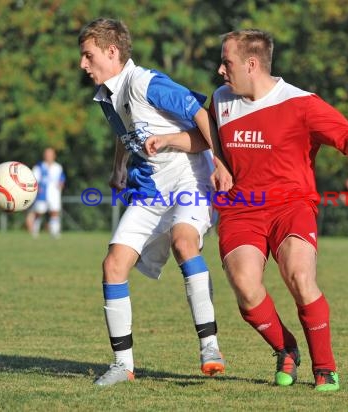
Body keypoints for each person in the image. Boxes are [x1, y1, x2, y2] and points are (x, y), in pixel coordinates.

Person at [207, 29, 348, 391]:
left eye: (227, 62)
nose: (220, 70)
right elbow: (206, 133)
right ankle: (285, 348)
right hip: (241, 208)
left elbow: (347, 135)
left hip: (292, 205)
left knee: (300, 277)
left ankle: (325, 367)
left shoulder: (301, 103)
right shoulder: (220, 99)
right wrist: (217, 161)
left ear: (252, 64)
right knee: (245, 286)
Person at [78, 18, 229, 386]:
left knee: (183, 241)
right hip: (149, 190)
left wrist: (222, 164)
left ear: (112, 52)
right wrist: (118, 169)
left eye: (88, 55)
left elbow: (203, 117)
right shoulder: (107, 95)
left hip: (189, 177)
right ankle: (122, 365)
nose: (83, 64)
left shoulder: (147, 83)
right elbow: (125, 133)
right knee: (113, 264)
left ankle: (210, 346)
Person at [28, 147, 66, 239]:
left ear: (54, 155)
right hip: (42, 193)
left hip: (54, 194)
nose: (48, 156)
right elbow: (33, 179)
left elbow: (62, 178)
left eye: (50, 154)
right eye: (47, 154)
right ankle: (35, 231)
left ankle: (55, 232)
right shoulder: (39, 166)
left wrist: (61, 184)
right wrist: (36, 188)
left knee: (54, 212)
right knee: (39, 212)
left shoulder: (58, 167)